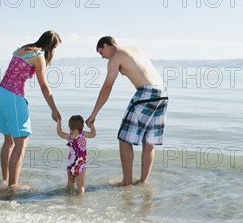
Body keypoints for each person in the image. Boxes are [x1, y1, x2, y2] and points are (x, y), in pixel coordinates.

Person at [86, 36, 168, 186]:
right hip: (162, 93)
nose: (103, 57)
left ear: (106, 45)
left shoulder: (116, 57)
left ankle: (127, 181)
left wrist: (94, 114)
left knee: (124, 138)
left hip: (147, 93)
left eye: (101, 53)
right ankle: (143, 182)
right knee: (149, 140)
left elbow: (107, 87)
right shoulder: (135, 49)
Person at [0, 30, 62, 189]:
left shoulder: (22, 49)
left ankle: (6, 181)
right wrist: (54, 109)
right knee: (21, 143)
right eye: (55, 48)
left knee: (8, 141)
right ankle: (13, 187)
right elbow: (44, 86)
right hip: (13, 98)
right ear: (50, 46)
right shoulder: (38, 56)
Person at [56, 115, 96, 195]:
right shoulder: (83, 134)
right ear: (81, 127)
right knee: (80, 186)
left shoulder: (69, 136)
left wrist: (58, 122)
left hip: (71, 165)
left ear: (69, 126)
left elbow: (59, 133)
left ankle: (68, 196)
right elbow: (93, 134)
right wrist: (92, 125)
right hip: (80, 165)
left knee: (70, 183)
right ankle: (79, 202)